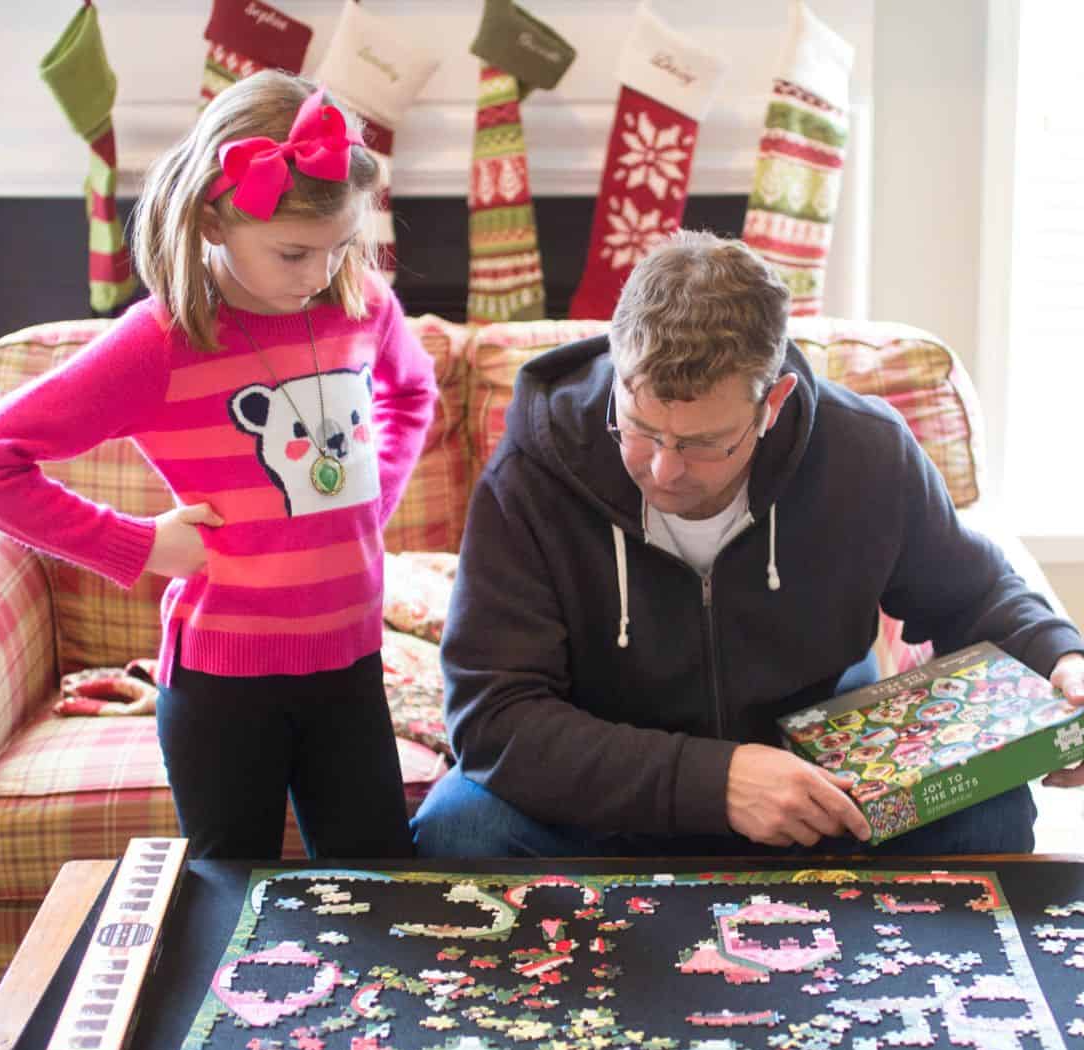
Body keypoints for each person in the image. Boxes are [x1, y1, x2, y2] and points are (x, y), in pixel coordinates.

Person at [412, 230, 1084, 859]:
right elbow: (493, 719)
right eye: (640, 428)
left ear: (774, 401)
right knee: (461, 830)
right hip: (614, 796)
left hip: (820, 790)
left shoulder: (866, 453)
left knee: (992, 816)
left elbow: (975, 594)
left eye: (705, 443)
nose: (664, 469)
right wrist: (714, 782)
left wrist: (1059, 660)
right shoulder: (531, 477)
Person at [0, 72, 438, 861]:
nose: (319, 273)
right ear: (214, 216)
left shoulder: (362, 307)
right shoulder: (163, 341)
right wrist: (136, 545)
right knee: (225, 894)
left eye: (341, 246)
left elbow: (413, 392)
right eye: (293, 252)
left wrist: (368, 507)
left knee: (377, 882)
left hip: (350, 664)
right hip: (223, 687)